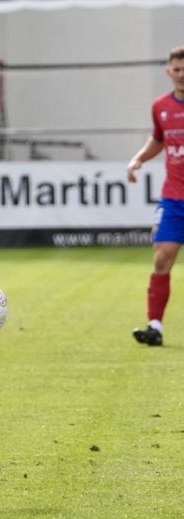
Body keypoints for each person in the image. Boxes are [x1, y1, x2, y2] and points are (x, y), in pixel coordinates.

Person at [129, 46, 184, 347]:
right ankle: (155, 327)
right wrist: (138, 159)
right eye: (177, 69)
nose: (182, 74)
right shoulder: (161, 106)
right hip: (174, 200)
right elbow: (159, 139)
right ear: (169, 72)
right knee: (162, 258)